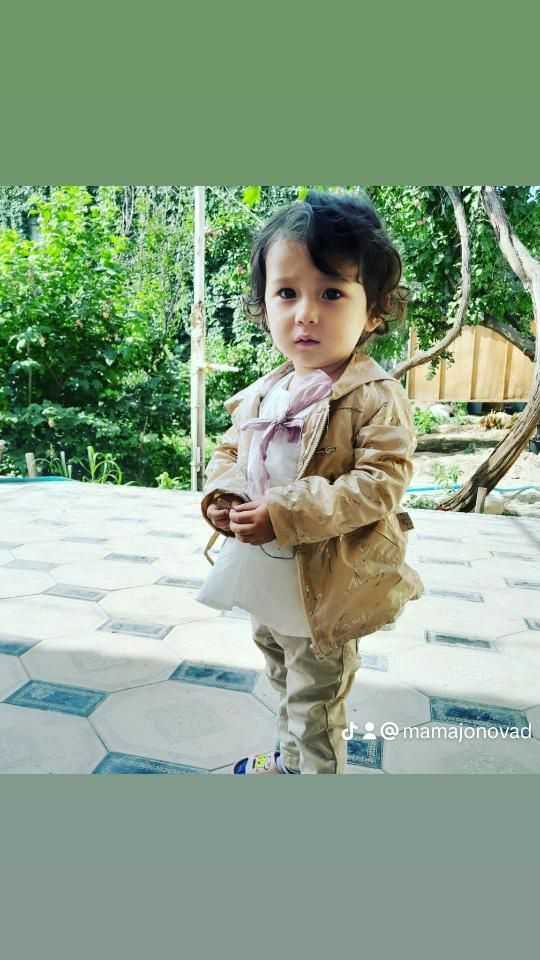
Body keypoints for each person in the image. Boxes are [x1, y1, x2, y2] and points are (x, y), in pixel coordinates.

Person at [196, 188, 424, 774]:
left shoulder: (374, 397)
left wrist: (285, 511)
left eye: (331, 293)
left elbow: (380, 482)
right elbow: (231, 449)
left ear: (373, 310)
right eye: (287, 293)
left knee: (315, 706)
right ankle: (288, 762)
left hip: (325, 586)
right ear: (264, 305)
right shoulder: (269, 388)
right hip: (266, 577)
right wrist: (224, 495)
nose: (306, 313)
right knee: (280, 675)